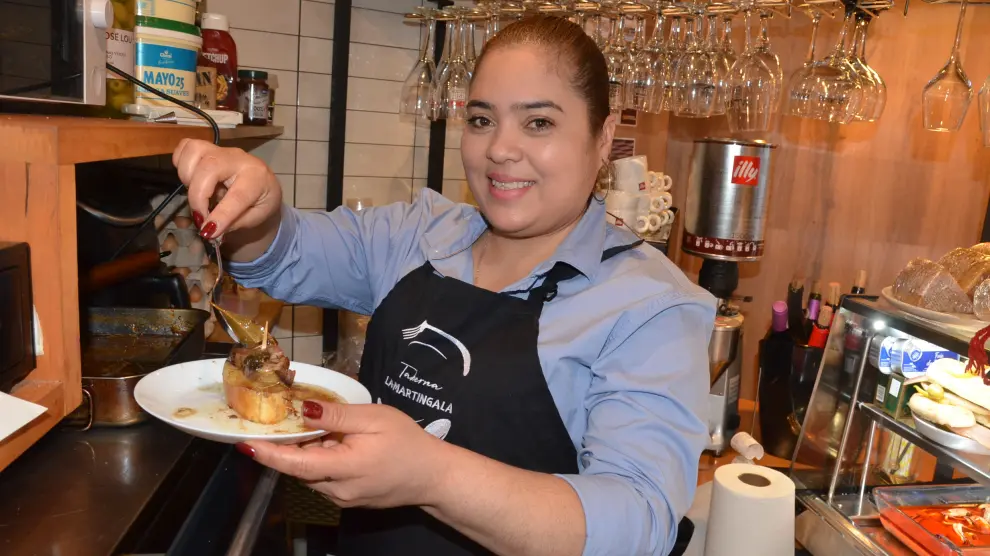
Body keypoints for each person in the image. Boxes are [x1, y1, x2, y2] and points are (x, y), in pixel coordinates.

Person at [173, 15, 715, 556]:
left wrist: (432, 477)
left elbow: (637, 525)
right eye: (481, 120)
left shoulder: (649, 306)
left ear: (603, 137)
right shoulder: (421, 235)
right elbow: (285, 254)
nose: (500, 148)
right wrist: (256, 210)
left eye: (539, 123)